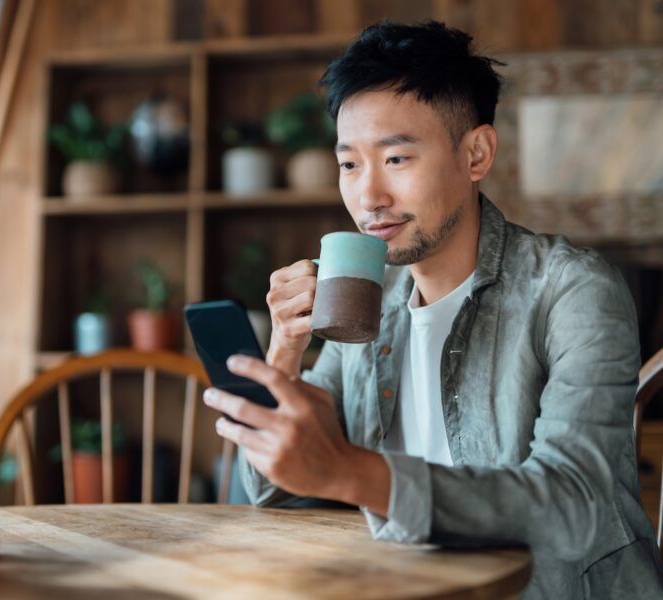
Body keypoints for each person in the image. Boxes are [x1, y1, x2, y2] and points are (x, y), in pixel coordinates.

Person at [201, 20, 663, 598]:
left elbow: (574, 506)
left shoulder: (573, 290)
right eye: (349, 164)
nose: (368, 197)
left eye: (396, 159)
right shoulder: (370, 301)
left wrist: (350, 471)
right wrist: (286, 354)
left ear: (476, 154)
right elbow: (275, 492)